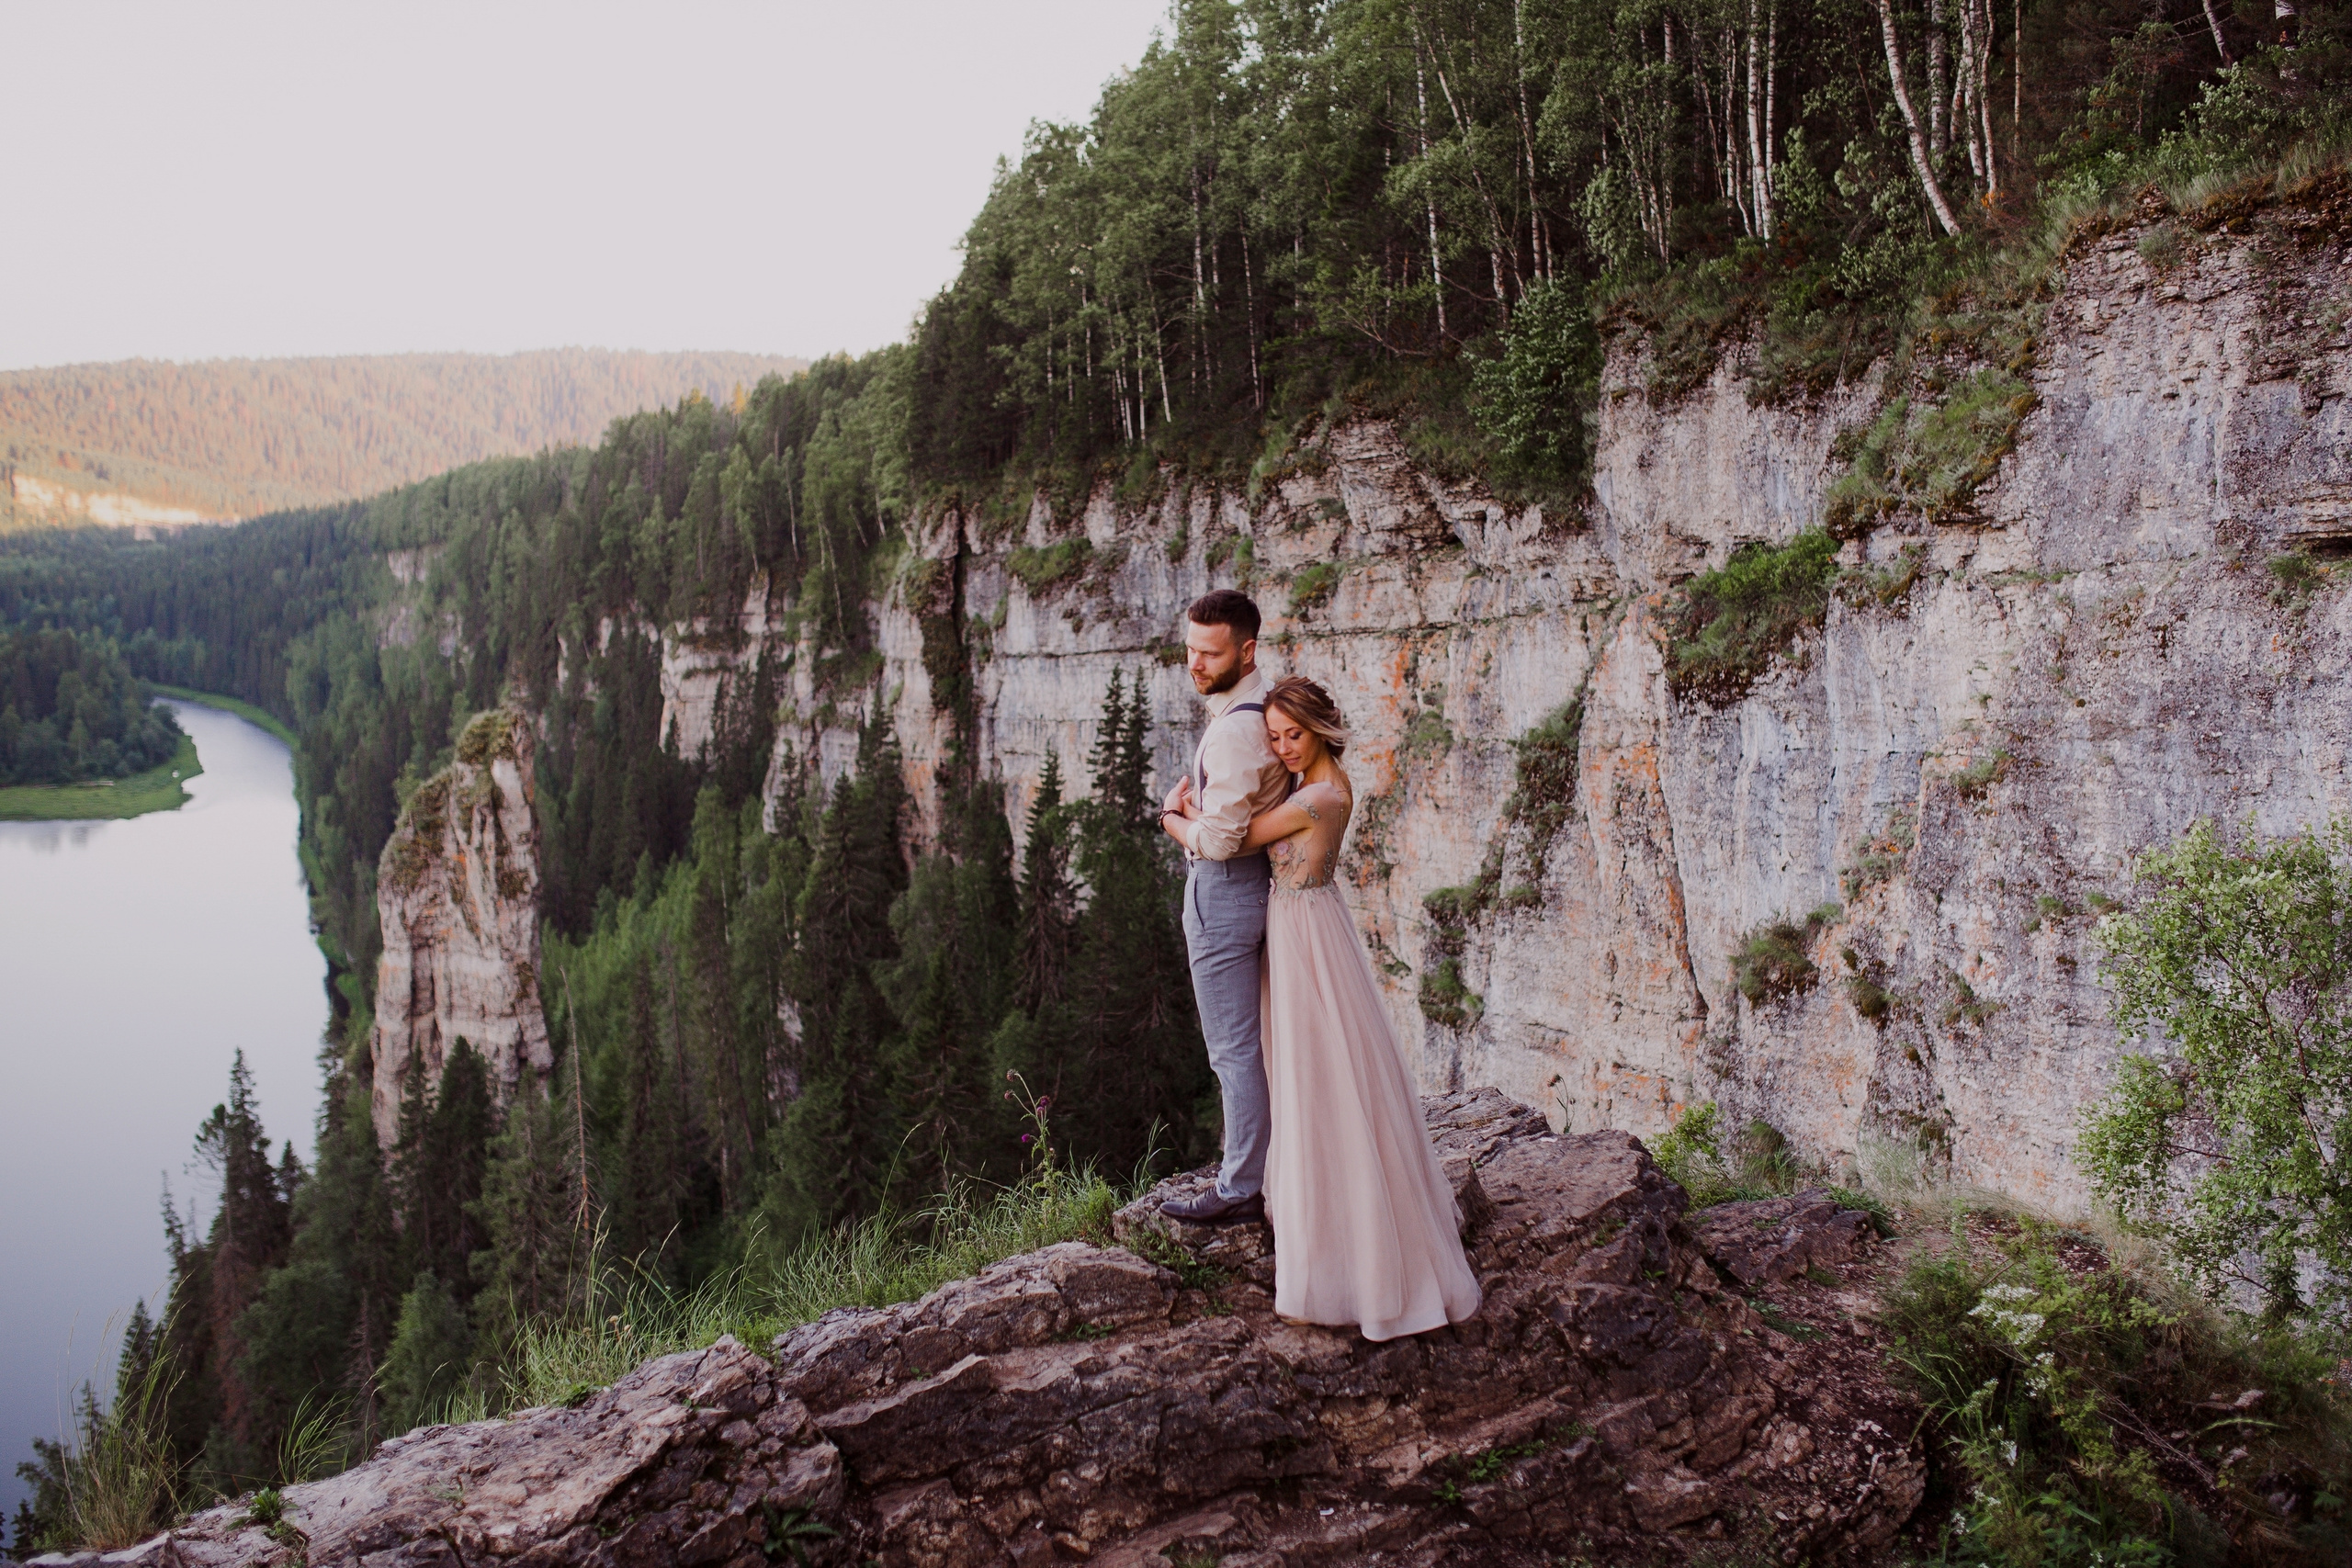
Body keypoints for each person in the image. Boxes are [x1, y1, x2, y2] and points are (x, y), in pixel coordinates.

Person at [1175, 675, 1481, 1340]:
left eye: (1295, 735)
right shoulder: (1320, 784)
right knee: (1311, 1065)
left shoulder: (1315, 797)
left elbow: (1233, 836)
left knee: (1320, 1069)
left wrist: (1176, 818)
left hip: (1305, 934)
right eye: (1276, 736)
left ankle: (1343, 1250)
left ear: (1321, 731)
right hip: (1301, 925)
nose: (1283, 747)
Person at [1157, 590, 1292, 1224]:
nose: (1195, 663)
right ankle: (1263, 1165)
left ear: (1247, 650)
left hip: (1223, 892)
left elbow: (1219, 840)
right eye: (1189, 649)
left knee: (1232, 1049)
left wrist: (1172, 819)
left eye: (1209, 653)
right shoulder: (1265, 709)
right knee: (1255, 1042)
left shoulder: (1236, 731)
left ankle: (1240, 1186)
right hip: (1256, 888)